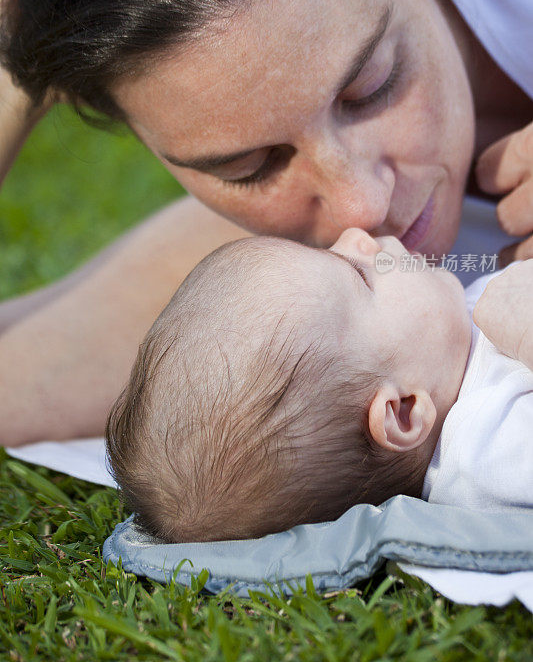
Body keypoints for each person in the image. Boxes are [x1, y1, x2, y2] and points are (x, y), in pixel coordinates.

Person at [0, 0, 532, 447]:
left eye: (371, 85)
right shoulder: (305, 302)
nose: (362, 211)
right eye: (250, 167)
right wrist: (11, 48)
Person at [105, 228, 533, 542]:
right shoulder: (490, 443)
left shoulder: (449, 339)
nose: (355, 235)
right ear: (402, 411)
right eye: (359, 275)